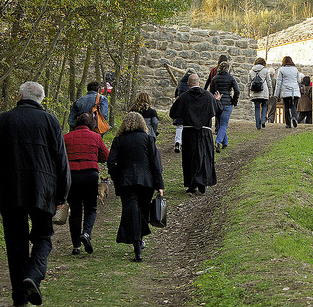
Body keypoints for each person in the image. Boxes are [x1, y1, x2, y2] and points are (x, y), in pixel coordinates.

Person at [0, 81, 70, 306]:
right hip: (43, 190)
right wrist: (61, 196)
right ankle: (33, 274)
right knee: (43, 236)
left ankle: (19, 299)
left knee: (15, 244)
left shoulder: (4, 120)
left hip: (12, 189)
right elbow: (61, 161)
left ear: (20, 96)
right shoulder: (50, 121)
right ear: (41, 99)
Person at [107, 112, 164, 263]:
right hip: (145, 182)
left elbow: (111, 162)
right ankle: (139, 242)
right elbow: (155, 163)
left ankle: (137, 247)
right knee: (142, 212)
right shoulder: (148, 139)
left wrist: (117, 177)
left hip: (126, 182)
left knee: (131, 212)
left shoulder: (119, 140)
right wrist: (159, 185)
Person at [63, 113, 109, 256]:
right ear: (92, 124)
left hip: (72, 175)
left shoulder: (66, 137)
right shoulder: (96, 137)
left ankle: (76, 246)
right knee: (91, 208)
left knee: (75, 211)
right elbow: (105, 156)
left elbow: (60, 157)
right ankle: (86, 233)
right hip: (90, 174)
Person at [169, 74, 223, 194]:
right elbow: (219, 110)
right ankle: (203, 182)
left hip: (189, 132)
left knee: (190, 158)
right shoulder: (208, 96)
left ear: (188, 84)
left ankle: (192, 184)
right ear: (199, 83)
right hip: (205, 132)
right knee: (204, 156)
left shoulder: (183, 97)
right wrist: (217, 100)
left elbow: (173, 114)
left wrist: (175, 103)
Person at [209, 61, 240, 152]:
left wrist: (214, 101)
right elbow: (237, 91)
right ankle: (218, 141)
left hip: (217, 103)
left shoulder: (215, 78)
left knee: (220, 123)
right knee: (224, 124)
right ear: (228, 69)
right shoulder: (231, 78)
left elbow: (211, 92)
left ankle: (225, 143)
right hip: (227, 103)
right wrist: (234, 101)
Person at [274, 56, 302, 128]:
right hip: (295, 91)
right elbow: (299, 80)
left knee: (286, 107)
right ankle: (294, 117)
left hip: (286, 91)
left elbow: (278, 83)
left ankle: (288, 123)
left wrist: (276, 94)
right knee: (293, 105)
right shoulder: (295, 69)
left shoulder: (281, 70)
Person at [173, 69, 194, 153]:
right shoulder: (191, 84)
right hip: (189, 107)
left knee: (180, 126)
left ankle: (178, 141)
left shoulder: (180, 83)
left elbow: (176, 94)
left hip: (180, 105)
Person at [248, 57, 272, 130]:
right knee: (264, 106)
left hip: (255, 92)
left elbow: (249, 83)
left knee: (257, 107)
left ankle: (258, 125)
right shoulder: (265, 70)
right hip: (264, 91)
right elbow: (269, 82)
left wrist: (248, 93)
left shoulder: (251, 71)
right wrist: (270, 92)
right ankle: (263, 119)